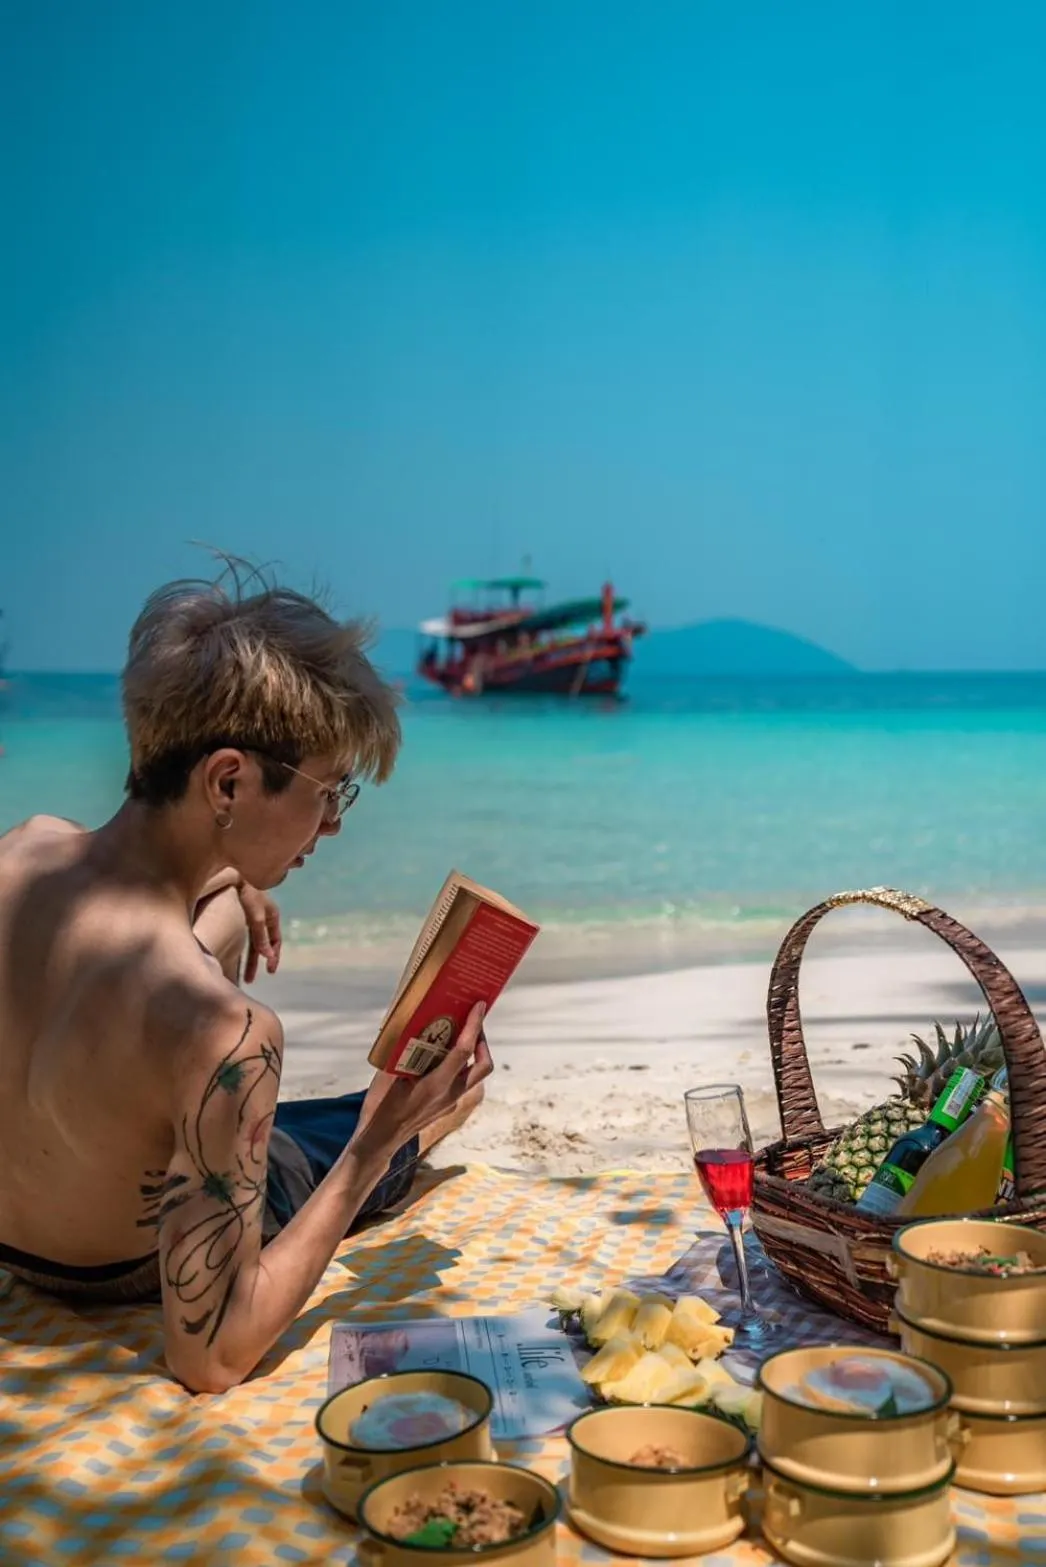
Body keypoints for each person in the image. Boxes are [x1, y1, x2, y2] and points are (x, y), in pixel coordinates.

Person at [0, 566, 492, 1394]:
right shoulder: (225, 1032)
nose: (332, 824)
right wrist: (377, 1142)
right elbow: (211, 1357)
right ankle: (412, 1127)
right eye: (329, 790)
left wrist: (226, 878)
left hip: (26, 1236)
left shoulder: (24, 849)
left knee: (226, 934)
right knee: (405, 1113)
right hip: (123, 1265)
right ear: (227, 781)